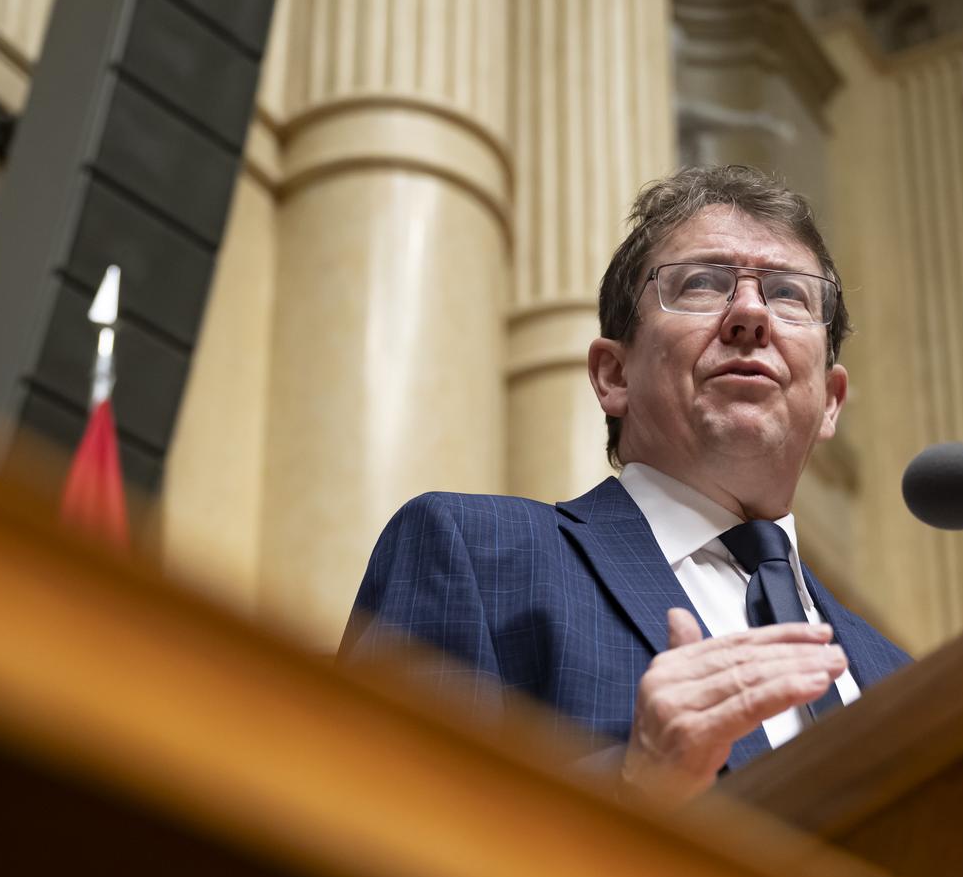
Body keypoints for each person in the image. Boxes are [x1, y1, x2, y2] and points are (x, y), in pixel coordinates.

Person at [341, 165, 910, 800]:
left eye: (788, 294)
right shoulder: (479, 555)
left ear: (831, 401)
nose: (750, 313)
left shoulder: (901, 681)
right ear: (614, 376)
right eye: (703, 283)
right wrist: (638, 782)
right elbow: (370, 833)